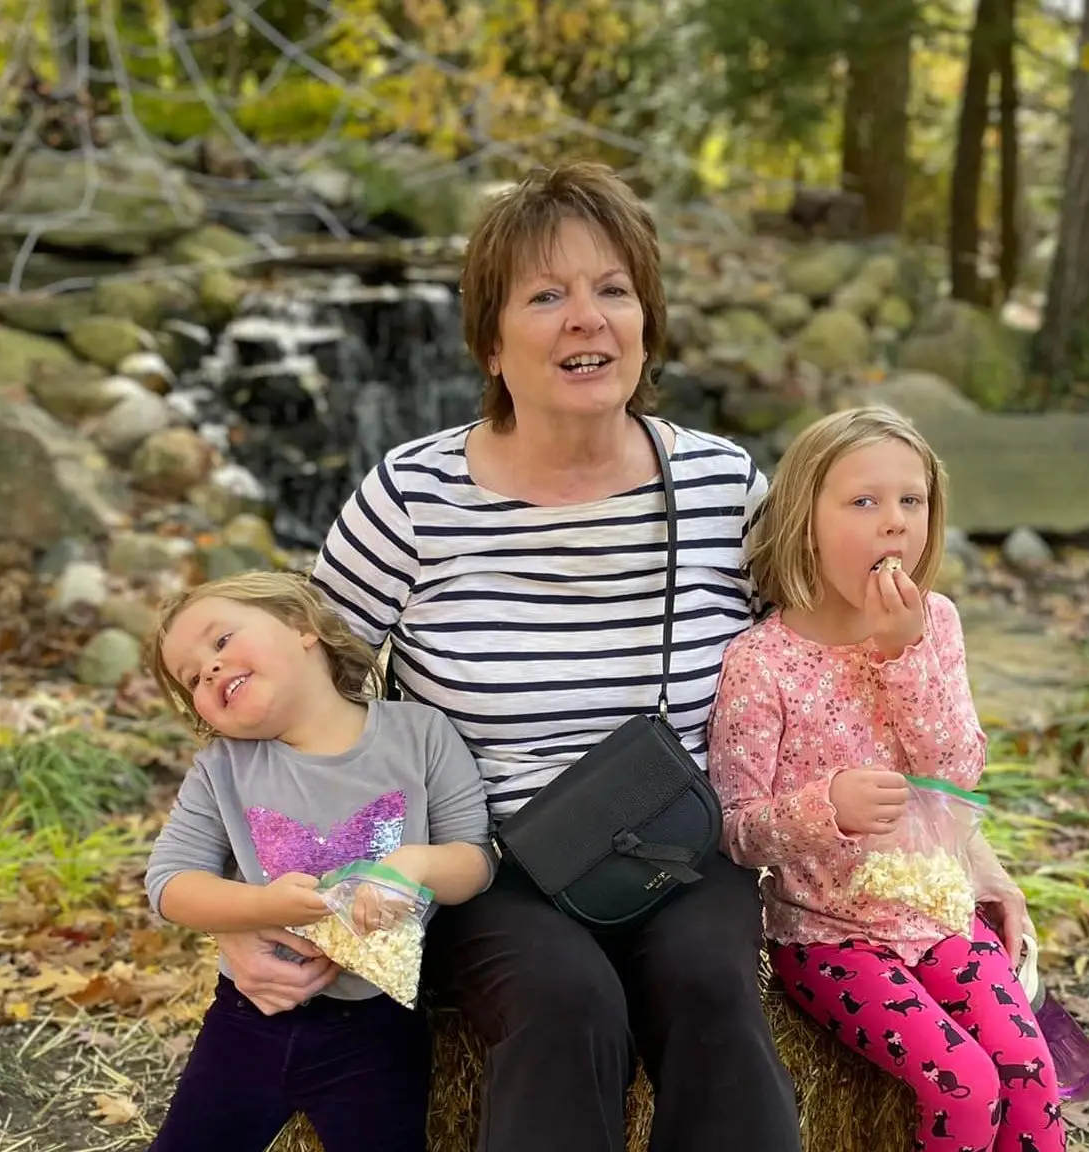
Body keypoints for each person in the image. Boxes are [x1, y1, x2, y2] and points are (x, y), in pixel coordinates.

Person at [204, 162, 805, 1152]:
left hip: (678, 846)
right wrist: (247, 905)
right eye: (546, 296)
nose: (588, 319)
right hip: (491, 863)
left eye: (614, 290)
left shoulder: (721, 485)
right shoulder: (412, 497)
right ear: (491, 343)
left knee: (712, 990)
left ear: (646, 323)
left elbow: (830, 670)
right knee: (566, 1006)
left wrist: (959, 845)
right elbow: (294, 698)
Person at [708, 407, 1064, 1152]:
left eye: (912, 500)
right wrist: (824, 808)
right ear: (806, 521)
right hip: (827, 937)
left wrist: (904, 657)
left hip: (939, 918)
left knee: (1029, 1066)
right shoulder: (762, 663)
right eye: (863, 502)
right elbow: (736, 829)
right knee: (963, 1085)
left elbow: (957, 772)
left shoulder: (936, 623)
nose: (894, 522)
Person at [142, 571, 494, 1152]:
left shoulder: (419, 736)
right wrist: (261, 905)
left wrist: (414, 866)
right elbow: (169, 884)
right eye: (191, 678)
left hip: (376, 1024)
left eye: (221, 640)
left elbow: (474, 862)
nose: (207, 669)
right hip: (250, 1016)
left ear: (303, 625)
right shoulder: (223, 768)